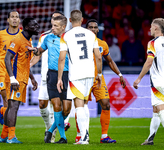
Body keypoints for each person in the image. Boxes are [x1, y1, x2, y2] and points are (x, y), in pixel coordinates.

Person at [74, 19, 126, 143]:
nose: (92, 29)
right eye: (90, 27)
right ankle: (79, 135)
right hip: (83, 78)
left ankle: (104, 136)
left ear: (98, 30)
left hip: (98, 79)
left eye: (95, 27)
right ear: (86, 29)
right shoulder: (79, 42)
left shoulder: (102, 44)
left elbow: (110, 61)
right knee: (81, 106)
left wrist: (119, 74)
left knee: (106, 103)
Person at [57, 10, 102, 145]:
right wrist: (99, 74)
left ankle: (84, 138)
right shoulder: (91, 34)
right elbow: (98, 56)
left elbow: (62, 58)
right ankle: (84, 136)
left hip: (76, 74)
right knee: (84, 104)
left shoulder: (66, 35)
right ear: (82, 20)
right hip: (90, 73)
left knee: (79, 105)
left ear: (70, 20)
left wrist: (59, 78)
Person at [133, 18, 164, 146]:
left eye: (151, 27)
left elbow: (149, 62)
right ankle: (150, 138)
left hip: (158, 82)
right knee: (156, 110)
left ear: (157, 28)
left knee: (161, 109)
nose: (150, 29)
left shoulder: (152, 43)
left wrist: (139, 78)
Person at [28, 15, 71, 144]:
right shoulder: (48, 38)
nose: (52, 28)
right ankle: (63, 138)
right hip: (52, 75)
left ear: (63, 27)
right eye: (52, 25)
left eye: (56, 26)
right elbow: (40, 51)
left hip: (68, 75)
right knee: (56, 106)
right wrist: (34, 50)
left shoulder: (69, 39)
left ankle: (51, 129)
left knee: (67, 109)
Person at [0, 17, 39, 144]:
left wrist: (32, 78)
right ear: (27, 27)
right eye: (34, 25)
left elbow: (24, 62)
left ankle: (4, 136)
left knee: (12, 106)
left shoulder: (28, 42)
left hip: (22, 78)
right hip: (15, 79)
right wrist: (12, 79)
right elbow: (7, 58)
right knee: (13, 106)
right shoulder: (17, 39)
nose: (37, 26)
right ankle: (11, 137)